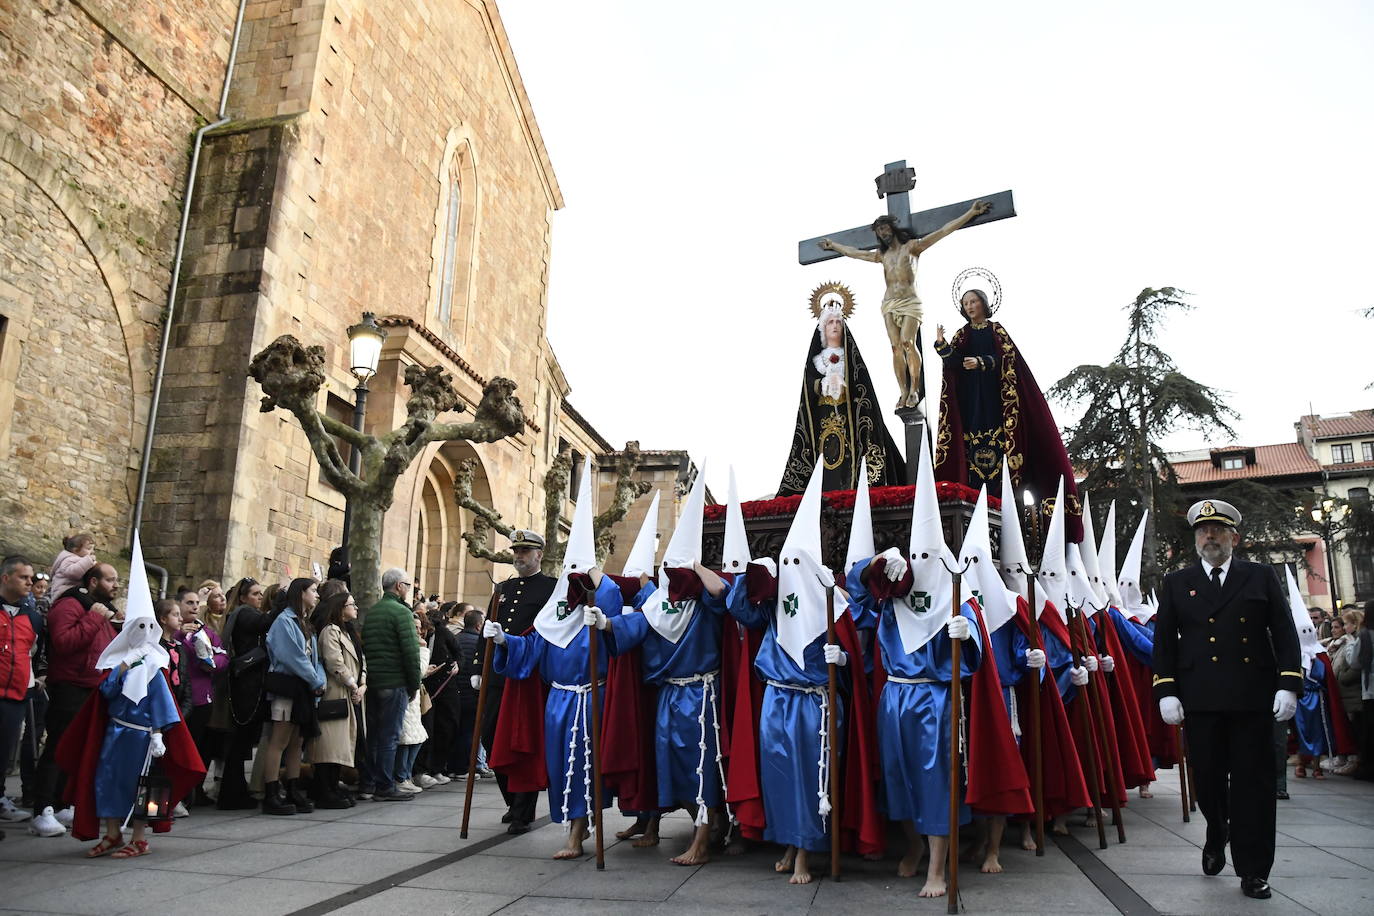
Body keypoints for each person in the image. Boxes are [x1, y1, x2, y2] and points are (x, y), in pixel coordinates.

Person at [1153, 499, 1302, 900]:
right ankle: (1217, 831)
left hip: (1252, 698)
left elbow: (1286, 635)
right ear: (1195, 540)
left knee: (1254, 786)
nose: (1210, 537)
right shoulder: (1177, 583)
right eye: (1203, 532)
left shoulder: (1259, 577)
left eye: (1217, 531)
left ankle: (1253, 869)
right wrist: (1166, 690)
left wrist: (1288, 684)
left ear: (1234, 537)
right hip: (1201, 699)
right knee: (1209, 781)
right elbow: (1164, 643)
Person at [56, 592, 203, 859]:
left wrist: (158, 734)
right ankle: (112, 833)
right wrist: (123, 666)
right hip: (116, 734)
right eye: (139, 627)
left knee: (144, 787)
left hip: (142, 739)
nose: (144, 633)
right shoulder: (119, 663)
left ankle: (138, 838)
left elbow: (162, 701)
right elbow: (107, 692)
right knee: (109, 781)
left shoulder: (155, 667)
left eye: (149, 627)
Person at [932, 284, 1083, 540]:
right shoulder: (962, 335)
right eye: (966, 303)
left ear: (984, 304)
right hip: (970, 404)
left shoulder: (996, 330)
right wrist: (941, 346)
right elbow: (954, 363)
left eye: (974, 301)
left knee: (1000, 463)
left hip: (996, 404)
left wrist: (982, 362)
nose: (970, 306)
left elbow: (1007, 359)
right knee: (971, 459)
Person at [819, 201, 992, 409]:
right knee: (895, 348)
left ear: (892, 228)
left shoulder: (912, 247)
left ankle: (914, 389)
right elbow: (856, 252)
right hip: (889, 303)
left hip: (910, 301)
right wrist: (834, 246)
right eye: (879, 231)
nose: (882, 233)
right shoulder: (882, 255)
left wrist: (970, 213)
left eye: (884, 228)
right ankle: (902, 390)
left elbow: (944, 230)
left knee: (908, 343)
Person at [777, 289, 904, 496]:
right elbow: (808, 387)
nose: (834, 326)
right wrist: (822, 383)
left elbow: (863, 391)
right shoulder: (816, 360)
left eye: (837, 322)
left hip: (849, 422)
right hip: (822, 421)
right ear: (823, 329)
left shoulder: (851, 359)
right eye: (830, 323)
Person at [30, 561, 120, 837]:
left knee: (79, 748)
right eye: (110, 580)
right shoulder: (70, 605)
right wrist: (95, 618)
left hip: (93, 686)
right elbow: (65, 642)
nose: (115, 585)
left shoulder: (99, 609)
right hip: (70, 685)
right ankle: (41, 808)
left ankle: (62, 802)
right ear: (93, 582)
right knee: (58, 745)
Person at [480, 530, 558, 832]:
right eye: (516, 551)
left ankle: (524, 810)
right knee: (490, 737)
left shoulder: (551, 588)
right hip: (500, 672)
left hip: (530, 675)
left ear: (539, 554)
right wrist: (478, 668)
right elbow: (489, 628)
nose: (519, 556)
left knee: (524, 743)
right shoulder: (503, 588)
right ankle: (512, 799)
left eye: (525, 551)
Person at [261, 578, 325, 815]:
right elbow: (293, 656)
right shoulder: (284, 622)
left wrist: (318, 681)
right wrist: (316, 680)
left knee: (297, 742)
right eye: (313, 591)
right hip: (288, 685)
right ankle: (270, 792)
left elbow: (314, 658)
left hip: (304, 688)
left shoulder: (305, 623)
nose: (317, 595)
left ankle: (293, 787)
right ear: (301, 594)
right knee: (279, 740)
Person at [361, 568, 421, 802]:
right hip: (394, 682)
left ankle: (369, 782)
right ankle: (385, 785)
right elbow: (410, 652)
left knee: (374, 735)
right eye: (408, 584)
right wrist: (414, 684)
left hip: (374, 681)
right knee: (389, 736)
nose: (409, 589)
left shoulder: (374, 611)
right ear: (398, 586)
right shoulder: (401, 612)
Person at [307, 591, 363, 808]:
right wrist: (352, 684)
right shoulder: (331, 631)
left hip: (346, 692)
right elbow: (334, 662)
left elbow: (359, 661)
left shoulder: (346, 631)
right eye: (351, 604)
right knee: (330, 745)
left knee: (338, 746)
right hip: (335, 692)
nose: (356, 607)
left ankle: (331, 786)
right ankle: (323, 788)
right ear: (341, 608)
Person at [218, 577, 270, 809]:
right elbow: (266, 622)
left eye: (261, 593)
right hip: (246, 685)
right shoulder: (246, 614)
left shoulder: (241, 614)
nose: (260, 597)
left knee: (241, 743)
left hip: (246, 683)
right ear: (243, 597)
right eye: (255, 593)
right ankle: (232, 793)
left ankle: (235, 789)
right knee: (240, 742)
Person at [175, 586, 227, 806]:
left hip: (204, 696)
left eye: (197, 603)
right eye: (189, 603)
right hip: (182, 696)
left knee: (200, 746)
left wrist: (212, 665)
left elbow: (222, 655)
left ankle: (194, 789)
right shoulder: (174, 631)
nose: (195, 607)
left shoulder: (204, 631)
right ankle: (179, 792)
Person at [1, 556, 41, 834]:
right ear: (6, 578)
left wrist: (37, 678)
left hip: (15, 696)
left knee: (3, 755)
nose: (30, 582)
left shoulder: (32, 617)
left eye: (31, 577)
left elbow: (34, 653)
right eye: (23, 577)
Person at [395, 613, 432, 794]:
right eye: (415, 627)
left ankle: (405, 775)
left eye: (420, 628)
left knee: (415, 737)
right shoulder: (412, 646)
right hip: (407, 694)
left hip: (413, 695)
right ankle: (402, 777)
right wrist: (424, 651)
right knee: (408, 738)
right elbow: (418, 670)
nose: (418, 631)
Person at [48, 533, 97, 600]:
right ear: (75, 550)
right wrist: (88, 561)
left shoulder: (82, 561)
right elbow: (73, 573)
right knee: (86, 599)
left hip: (74, 589)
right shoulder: (68, 559)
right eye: (89, 549)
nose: (92, 552)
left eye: (93, 549)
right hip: (63, 590)